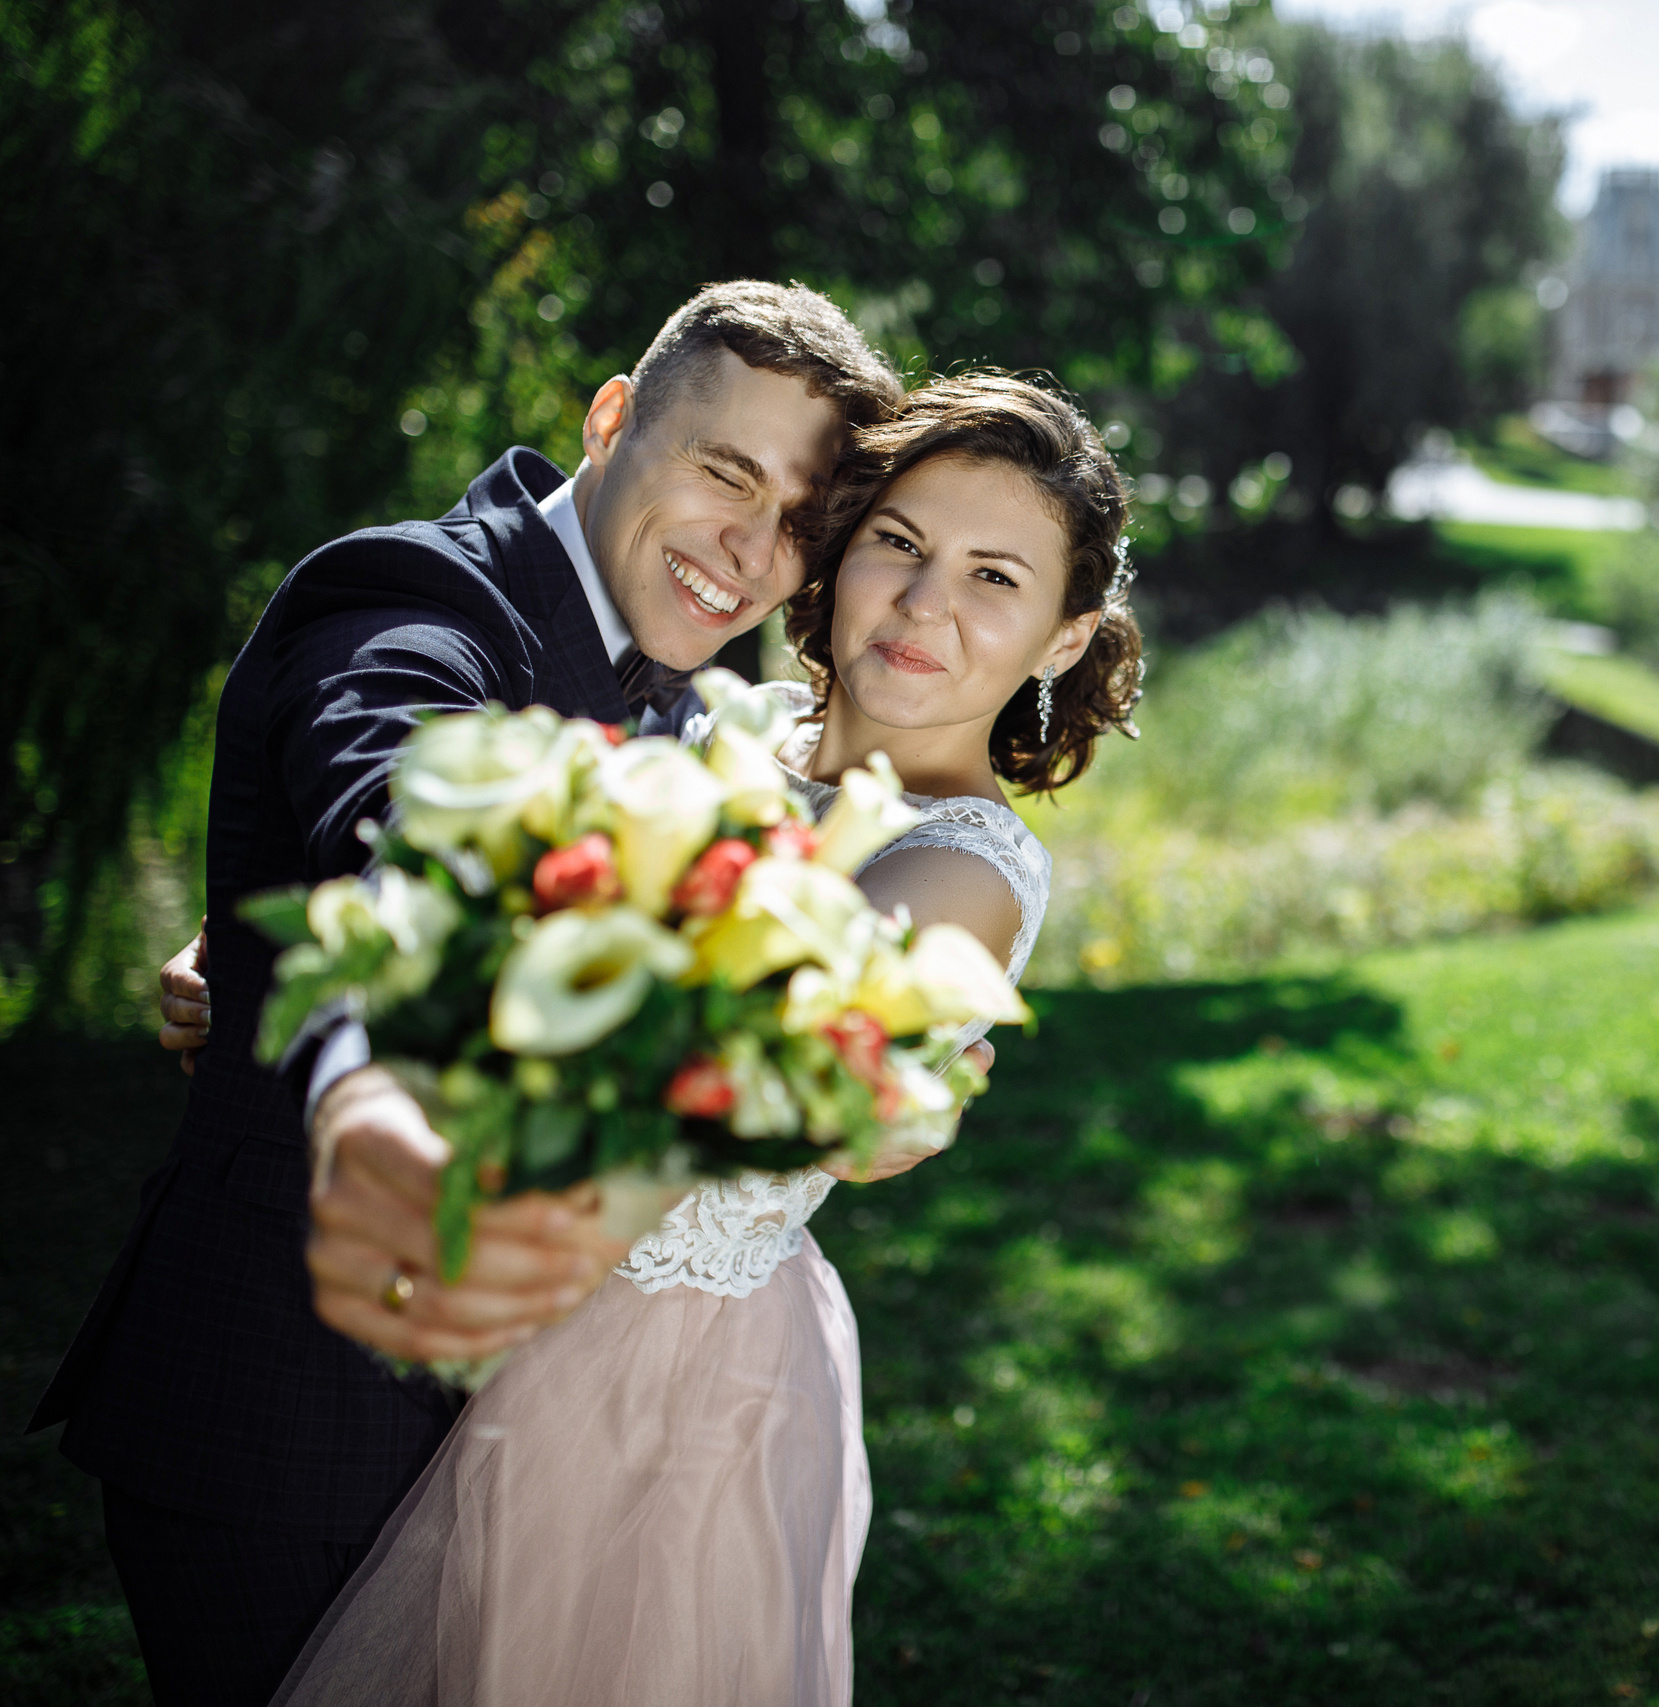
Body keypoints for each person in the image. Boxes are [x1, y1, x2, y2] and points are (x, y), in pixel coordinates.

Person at [31, 281, 902, 1707]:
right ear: (613, 416)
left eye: (801, 522)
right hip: (294, 1414)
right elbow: (407, 809)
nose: (752, 555)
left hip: (529, 1441)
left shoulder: (679, 692)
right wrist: (372, 1065)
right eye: (724, 471)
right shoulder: (415, 597)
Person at [266, 372, 1143, 1704]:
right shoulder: (715, 727)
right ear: (843, 549)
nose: (924, 607)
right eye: (900, 545)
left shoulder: (971, 869)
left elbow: (743, 1060)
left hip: (661, 1406)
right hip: (490, 1336)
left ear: (1065, 641)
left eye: (994, 580)